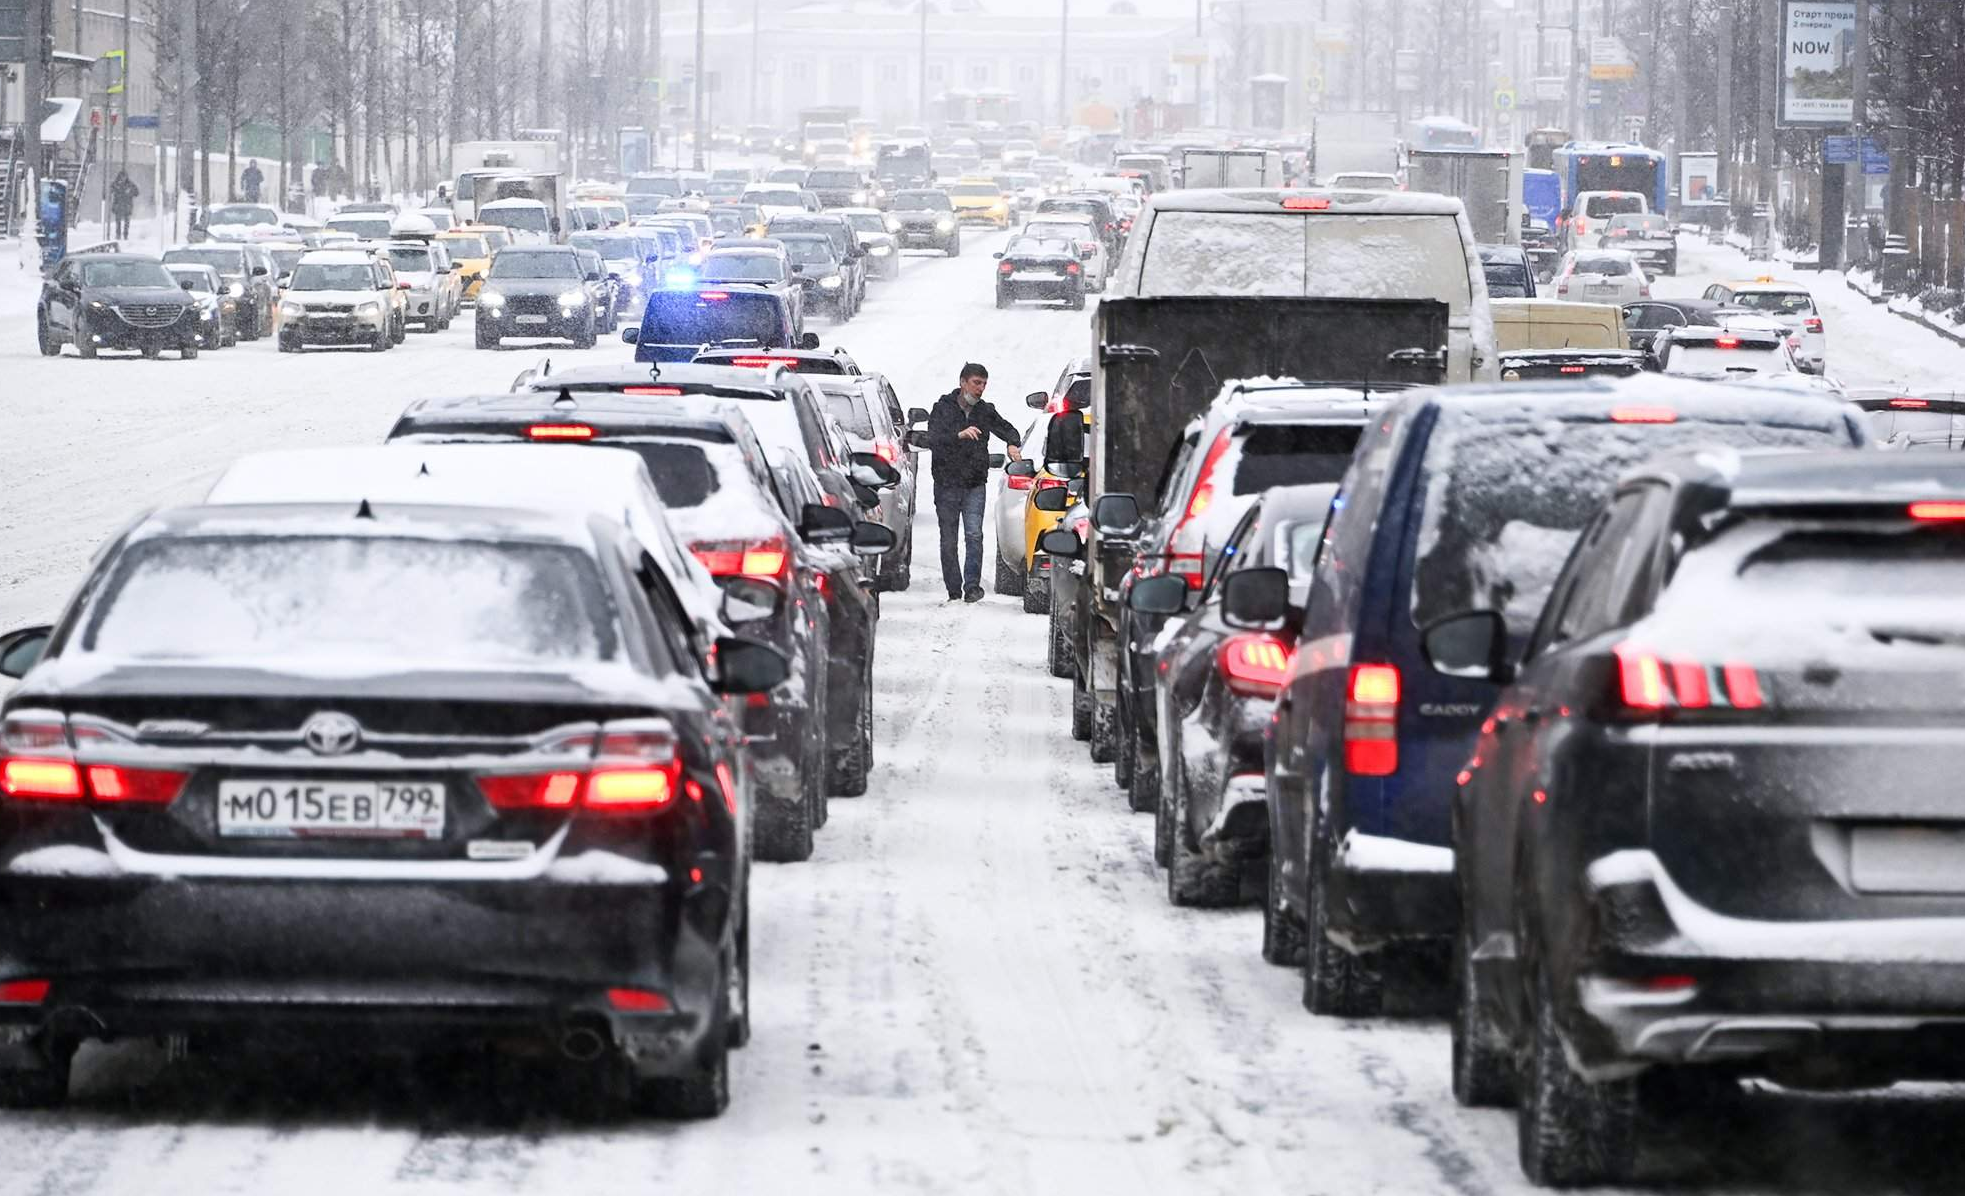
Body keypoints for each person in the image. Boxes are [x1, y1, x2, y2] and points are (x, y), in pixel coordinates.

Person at [925, 363, 1023, 603]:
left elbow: (1008, 429)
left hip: (974, 483)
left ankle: (972, 587)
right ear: (963, 382)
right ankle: (953, 588)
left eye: (984, 384)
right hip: (947, 483)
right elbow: (932, 439)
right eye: (976, 383)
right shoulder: (942, 408)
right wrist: (958, 435)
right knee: (949, 537)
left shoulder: (985, 411)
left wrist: (1012, 443)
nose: (980, 389)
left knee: (974, 535)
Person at [109, 169, 138, 239]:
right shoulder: (116, 184)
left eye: (124, 177)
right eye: (122, 177)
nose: (123, 178)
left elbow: (136, 193)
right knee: (118, 222)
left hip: (126, 205)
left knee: (126, 222)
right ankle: (118, 234)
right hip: (118, 205)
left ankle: (125, 235)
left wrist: (130, 192)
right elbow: (109, 190)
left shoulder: (130, 184)